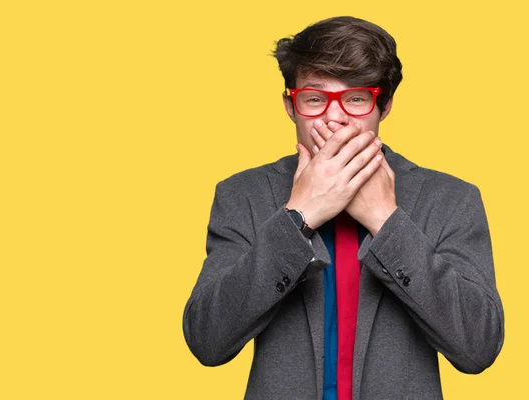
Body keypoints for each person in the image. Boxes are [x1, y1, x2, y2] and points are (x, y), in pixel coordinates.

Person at [183, 16, 504, 400]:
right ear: (291, 105)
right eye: (315, 99)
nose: (334, 117)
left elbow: (478, 348)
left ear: (383, 106)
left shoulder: (450, 200)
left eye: (355, 98)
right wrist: (297, 217)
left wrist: (387, 221)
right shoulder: (243, 195)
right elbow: (207, 340)